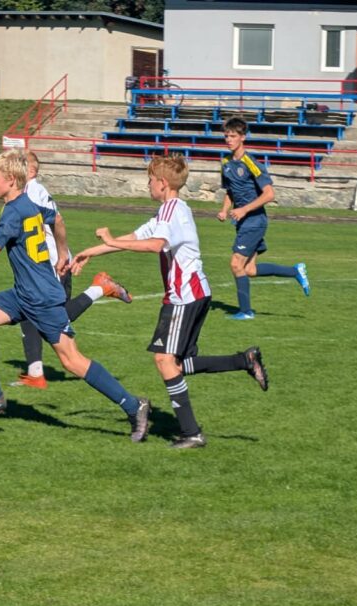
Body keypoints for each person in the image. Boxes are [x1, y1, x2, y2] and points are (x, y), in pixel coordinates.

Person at [0, 149, 150, 442]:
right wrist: (62, 253)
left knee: (72, 361)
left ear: (10, 179)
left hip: (42, 299)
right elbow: (57, 218)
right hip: (23, 293)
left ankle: (134, 406)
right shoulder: (29, 204)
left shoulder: (14, 211)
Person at [72, 153, 269, 450]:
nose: (148, 185)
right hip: (194, 294)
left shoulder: (171, 210)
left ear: (162, 183)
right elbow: (136, 236)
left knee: (164, 361)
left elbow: (155, 245)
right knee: (179, 363)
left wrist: (110, 240)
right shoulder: (172, 210)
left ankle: (192, 432)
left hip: (184, 297)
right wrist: (91, 251)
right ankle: (245, 360)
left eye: (150, 180)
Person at [14, 150, 133, 390]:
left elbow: (56, 222)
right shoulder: (31, 191)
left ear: (31, 171)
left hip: (50, 264)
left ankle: (99, 288)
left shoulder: (33, 192)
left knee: (49, 317)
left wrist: (60, 256)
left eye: (19, 165)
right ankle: (35, 373)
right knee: (33, 313)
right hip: (47, 262)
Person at [218, 117, 309, 320]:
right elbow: (230, 191)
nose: (229, 140)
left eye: (233, 136)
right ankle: (295, 271)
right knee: (249, 269)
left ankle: (246, 312)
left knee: (236, 264)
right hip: (243, 223)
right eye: (226, 136)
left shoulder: (251, 163)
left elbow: (269, 194)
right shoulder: (225, 163)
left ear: (243, 137)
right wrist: (224, 210)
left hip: (255, 221)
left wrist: (243, 210)